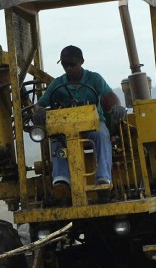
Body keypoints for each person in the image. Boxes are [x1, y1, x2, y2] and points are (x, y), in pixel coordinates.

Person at [33, 45, 127, 200]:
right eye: (65, 64)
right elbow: (41, 103)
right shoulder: (57, 84)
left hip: (92, 125)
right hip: (66, 128)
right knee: (57, 140)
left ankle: (103, 179)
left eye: (72, 64)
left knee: (102, 135)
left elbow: (110, 96)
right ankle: (62, 180)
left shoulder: (94, 78)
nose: (68, 68)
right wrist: (39, 110)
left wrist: (117, 106)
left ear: (81, 62)